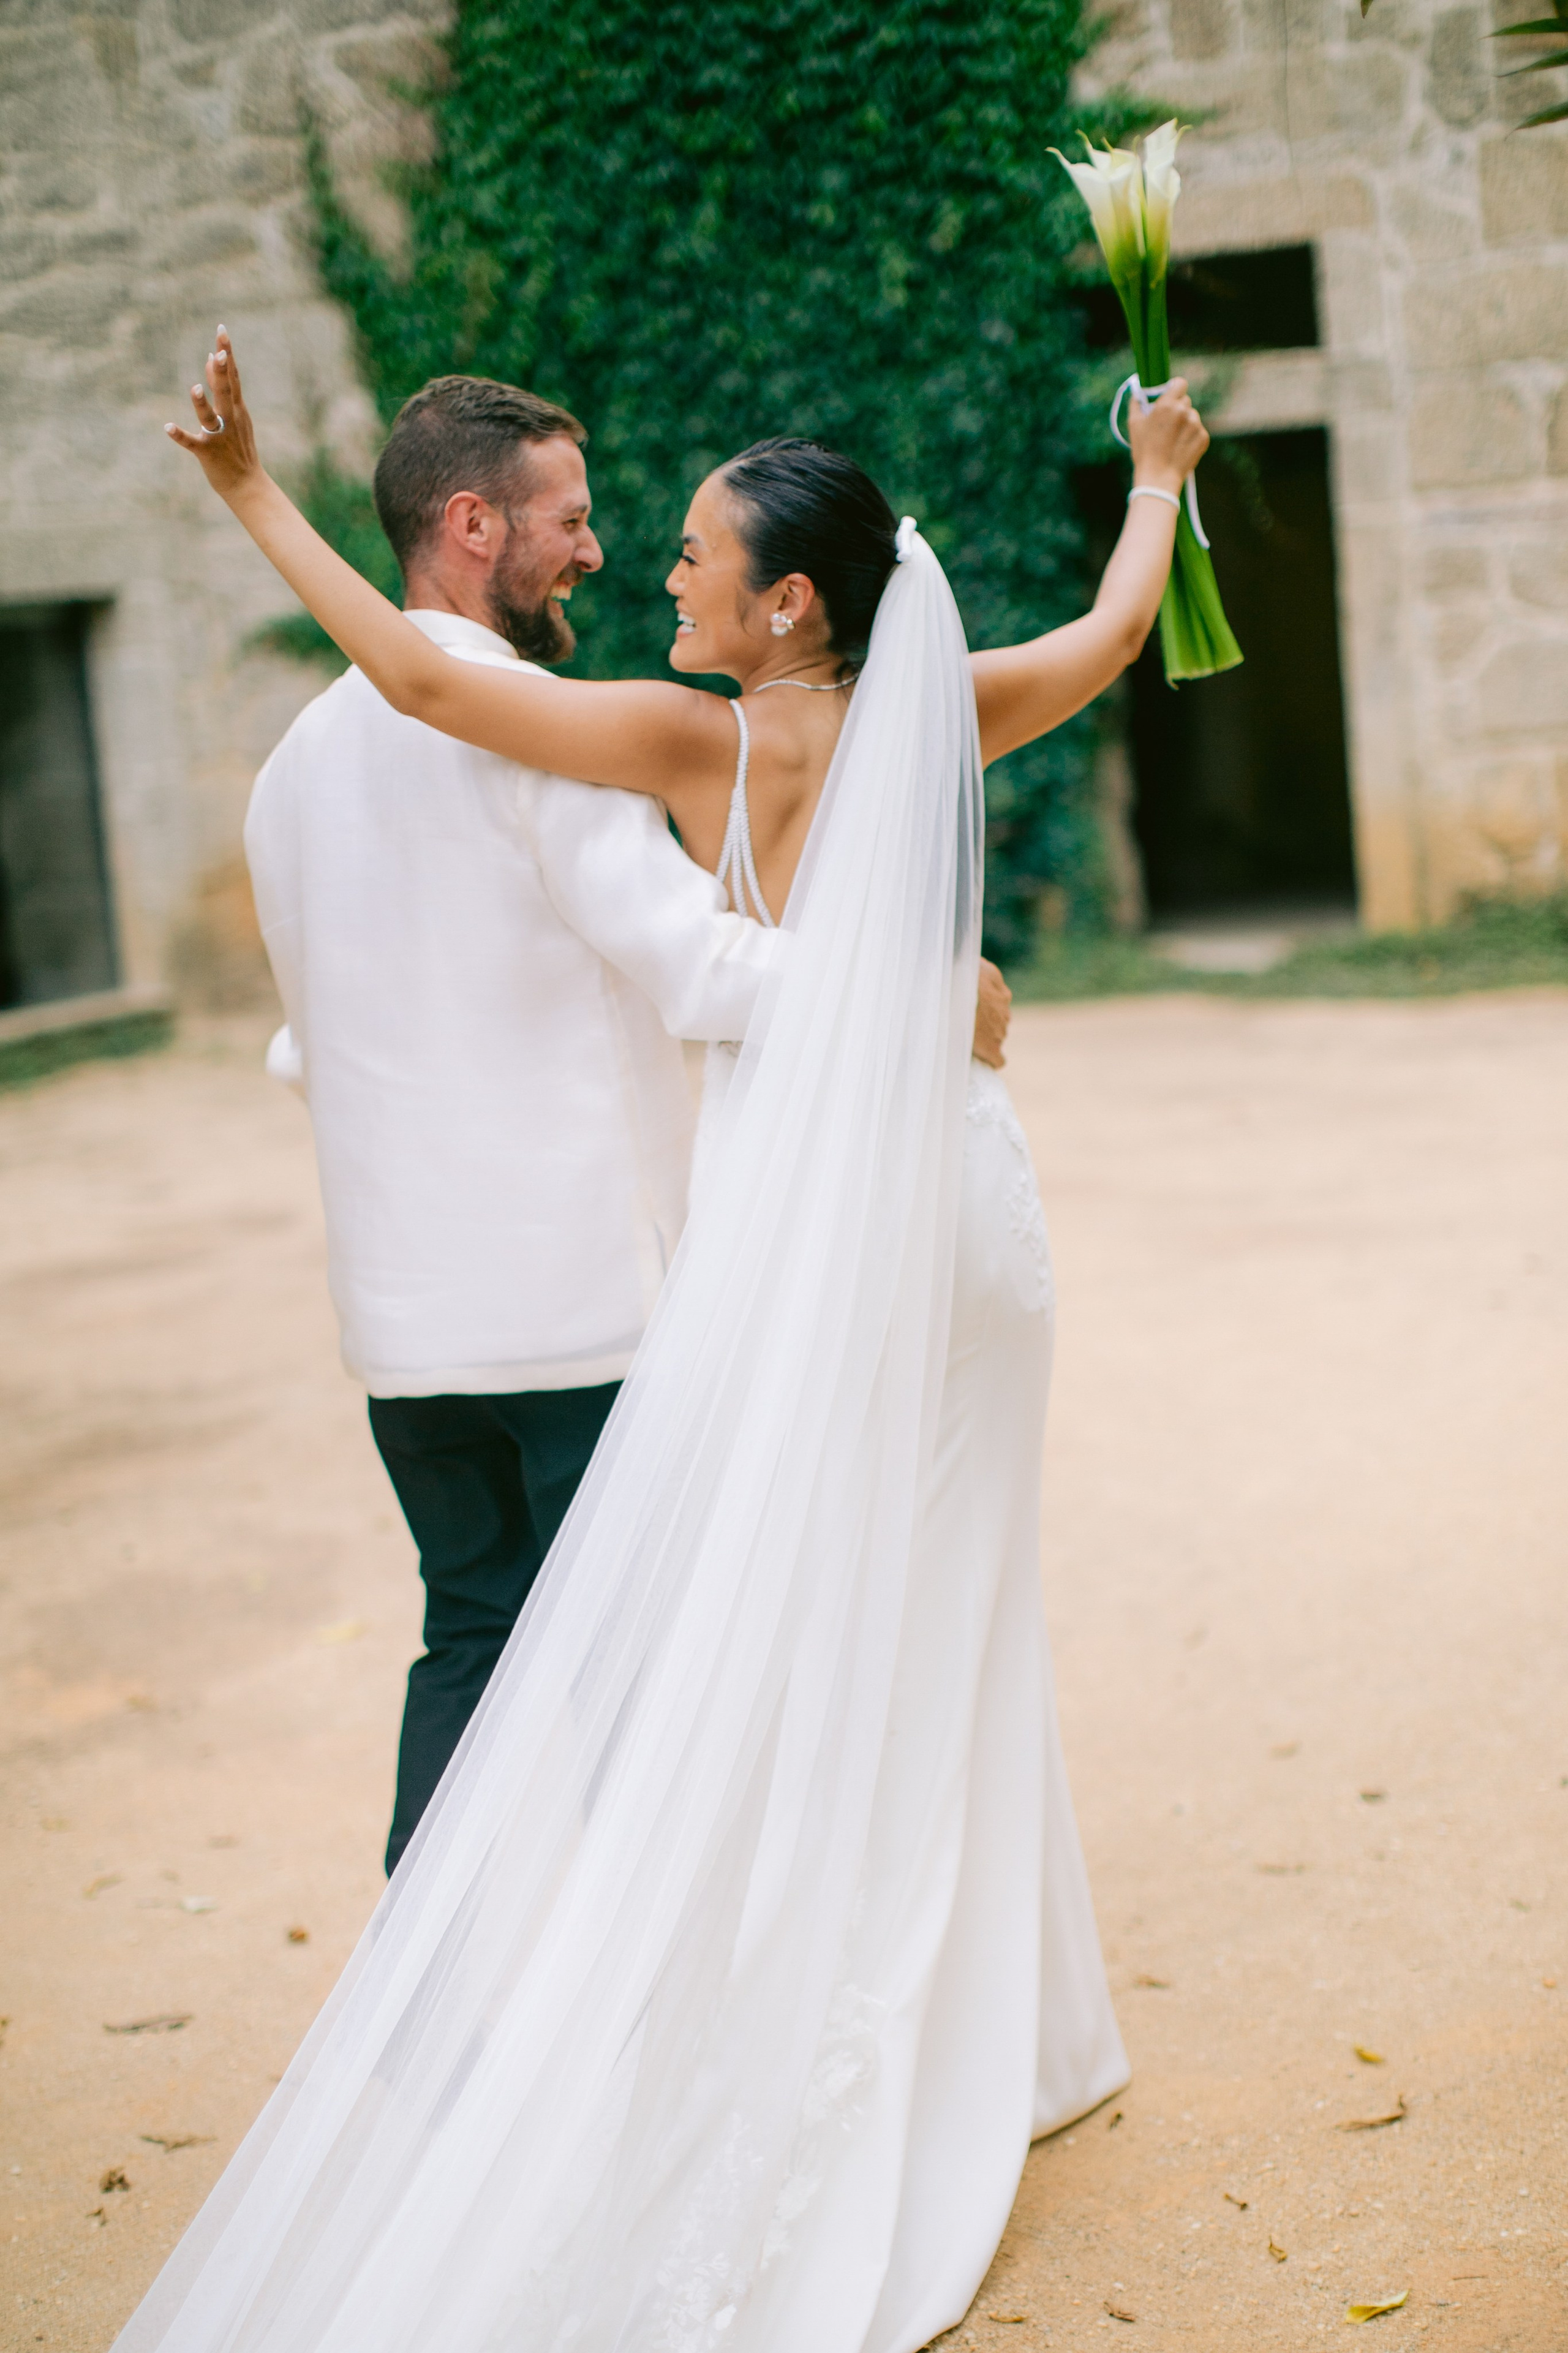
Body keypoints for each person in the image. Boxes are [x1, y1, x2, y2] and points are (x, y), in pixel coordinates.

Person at [118, 331, 1210, 2353]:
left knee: (718, 1623)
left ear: (785, 599)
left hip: (751, 1233)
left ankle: (700, 2015)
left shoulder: (689, 743)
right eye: (630, 533)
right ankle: (984, 2011)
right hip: (954, 1193)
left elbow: (428, 690)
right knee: (938, 1598)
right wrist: (1156, 475)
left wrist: (254, 497)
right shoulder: (924, 709)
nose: (655, 568)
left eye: (696, 553)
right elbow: (1119, 635)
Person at [242, 370, 1016, 1874]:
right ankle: (641, 2046)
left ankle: (434, 2040)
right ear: (472, 525)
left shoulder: (285, 777)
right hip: (585, 1316)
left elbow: (303, 1050)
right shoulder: (543, 736)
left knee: (466, 1637)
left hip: (402, 1332)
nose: (597, 553)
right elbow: (698, 966)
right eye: (570, 520)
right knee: (653, 1686)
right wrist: (923, 994)